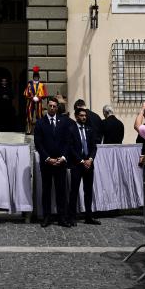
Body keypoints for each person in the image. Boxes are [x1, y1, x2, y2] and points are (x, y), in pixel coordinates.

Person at [34, 97, 71, 228]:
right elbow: (38, 144)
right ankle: (46, 217)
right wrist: (48, 158)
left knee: (61, 191)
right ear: (46, 106)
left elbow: (67, 142)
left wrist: (63, 157)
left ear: (57, 107)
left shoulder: (64, 122)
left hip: (61, 163)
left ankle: (62, 217)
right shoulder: (40, 123)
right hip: (47, 163)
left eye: (54, 106)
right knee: (46, 191)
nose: (52, 108)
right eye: (50, 106)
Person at [68, 107, 100, 225]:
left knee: (88, 191)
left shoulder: (89, 129)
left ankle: (88, 216)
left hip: (89, 165)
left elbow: (94, 146)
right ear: (76, 116)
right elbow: (70, 148)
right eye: (81, 115)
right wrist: (81, 160)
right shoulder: (71, 129)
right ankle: (71, 217)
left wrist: (90, 159)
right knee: (74, 191)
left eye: (85, 115)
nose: (84, 117)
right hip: (77, 165)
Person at [24, 66, 47, 134]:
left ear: (39, 77)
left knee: (39, 116)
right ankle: (29, 129)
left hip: (39, 102)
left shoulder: (41, 85)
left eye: (37, 77)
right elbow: (26, 93)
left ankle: (40, 130)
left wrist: (39, 98)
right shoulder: (29, 85)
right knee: (29, 116)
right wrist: (32, 98)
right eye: (35, 77)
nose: (36, 78)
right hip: (31, 102)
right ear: (33, 77)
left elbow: (45, 94)